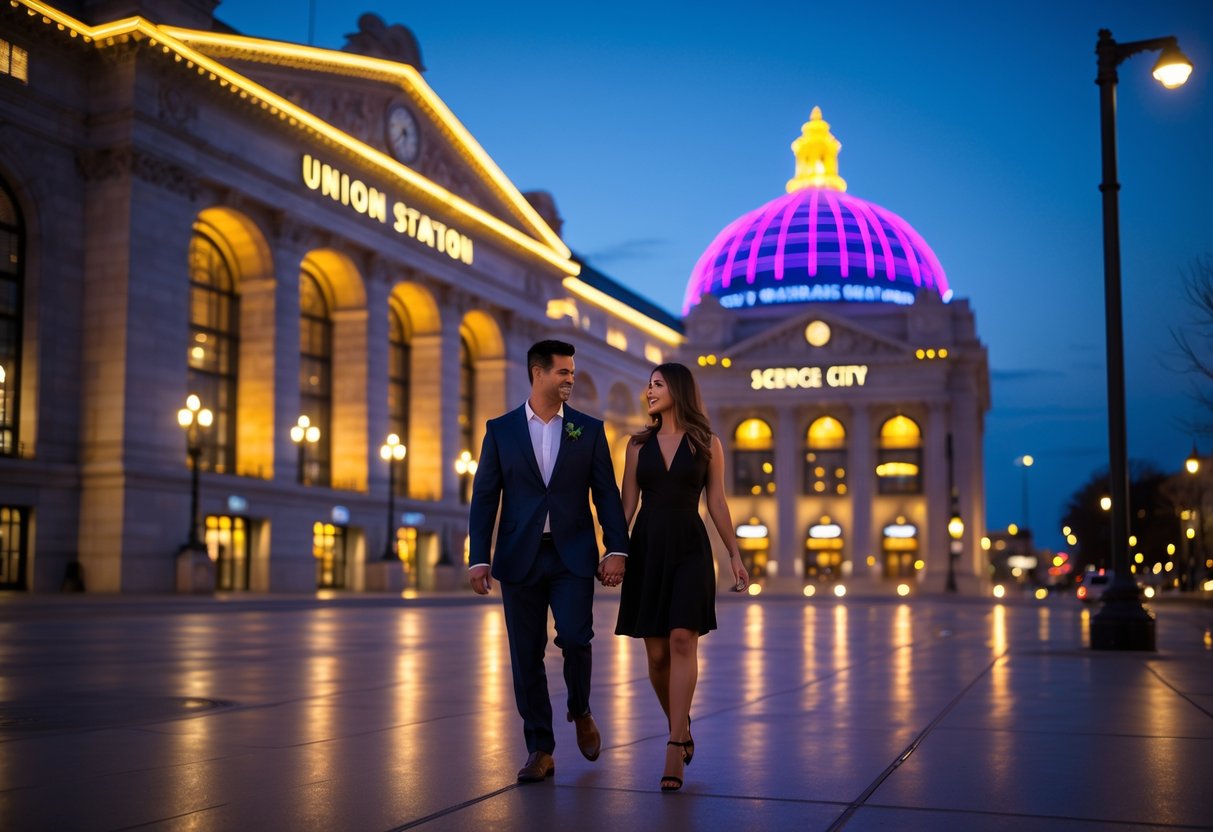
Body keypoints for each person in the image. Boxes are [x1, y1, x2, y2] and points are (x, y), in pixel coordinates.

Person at [468, 339, 629, 783]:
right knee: (526, 655)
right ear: (537, 373)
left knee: (577, 639)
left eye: (573, 373)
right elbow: (485, 497)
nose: (570, 379)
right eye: (563, 372)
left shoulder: (588, 430)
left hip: (572, 554)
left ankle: (580, 709)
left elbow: (606, 494)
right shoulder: (500, 430)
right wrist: (478, 557)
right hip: (519, 557)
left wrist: (617, 548)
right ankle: (540, 747)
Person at [614, 362, 747, 792]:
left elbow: (718, 505)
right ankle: (682, 723)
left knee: (681, 640)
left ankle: (674, 746)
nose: (649, 391)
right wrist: (613, 551)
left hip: (691, 549)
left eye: (657, 384)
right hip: (648, 549)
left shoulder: (708, 443)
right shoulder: (637, 446)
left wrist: (735, 554)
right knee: (655, 656)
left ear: (678, 390)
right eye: (647, 384)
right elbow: (626, 507)